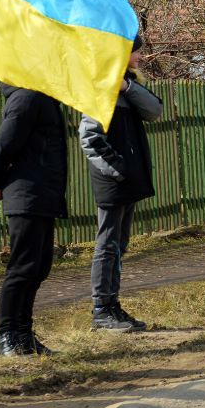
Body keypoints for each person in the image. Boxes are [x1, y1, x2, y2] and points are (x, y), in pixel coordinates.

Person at [79, 36, 164, 329]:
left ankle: (113, 305)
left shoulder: (127, 87)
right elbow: (89, 138)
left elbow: (154, 110)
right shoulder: (100, 88)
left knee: (120, 244)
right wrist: (117, 169)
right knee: (107, 245)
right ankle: (101, 308)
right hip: (112, 181)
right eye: (136, 51)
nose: (140, 56)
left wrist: (127, 86)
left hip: (127, 180)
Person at [0, 83, 68, 356]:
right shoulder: (26, 98)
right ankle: (8, 335)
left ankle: (24, 333)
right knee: (22, 268)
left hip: (42, 194)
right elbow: (4, 146)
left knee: (39, 266)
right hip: (26, 194)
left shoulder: (42, 96)